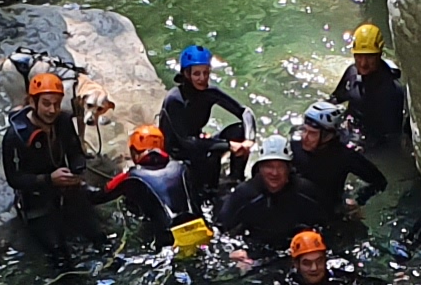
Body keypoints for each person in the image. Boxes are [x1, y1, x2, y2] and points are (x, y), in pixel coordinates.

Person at [1, 68, 104, 252]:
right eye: (46, 104)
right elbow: (14, 179)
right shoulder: (15, 136)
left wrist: (76, 170)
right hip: (36, 200)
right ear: (32, 102)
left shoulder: (63, 121)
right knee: (59, 252)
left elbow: (75, 152)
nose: (52, 110)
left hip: (66, 190)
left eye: (56, 104)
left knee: (99, 237)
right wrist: (48, 179)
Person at [156, 45, 252, 211]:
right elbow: (186, 142)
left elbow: (245, 112)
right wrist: (229, 146)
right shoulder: (175, 100)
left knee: (238, 130)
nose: (202, 78)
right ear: (187, 74)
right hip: (179, 152)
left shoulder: (210, 93)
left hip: (198, 142)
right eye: (197, 74)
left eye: (205, 73)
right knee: (209, 159)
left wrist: (249, 140)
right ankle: (209, 195)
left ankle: (235, 180)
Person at [285, 106, 387, 243]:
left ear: (328, 135)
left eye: (313, 133)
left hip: (329, 211)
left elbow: (379, 181)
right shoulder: (294, 147)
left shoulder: (344, 157)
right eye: (304, 130)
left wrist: (358, 200)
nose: (305, 137)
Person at [210, 140, 309, 260]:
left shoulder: (304, 192)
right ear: (260, 168)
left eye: (280, 167)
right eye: (269, 166)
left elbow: (325, 226)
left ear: (288, 169)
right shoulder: (244, 194)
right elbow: (219, 231)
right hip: (254, 249)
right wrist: (234, 253)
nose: (275, 173)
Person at [330, 21, 411, 154]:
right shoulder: (352, 73)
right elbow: (335, 99)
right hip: (350, 127)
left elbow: (393, 134)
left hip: (372, 143)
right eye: (359, 56)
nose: (363, 63)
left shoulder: (391, 91)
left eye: (369, 57)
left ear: (379, 54)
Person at [114, 124, 197, 244]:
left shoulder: (131, 176)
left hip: (168, 239)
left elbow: (98, 196)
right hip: (199, 227)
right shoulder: (181, 167)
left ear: (134, 152)